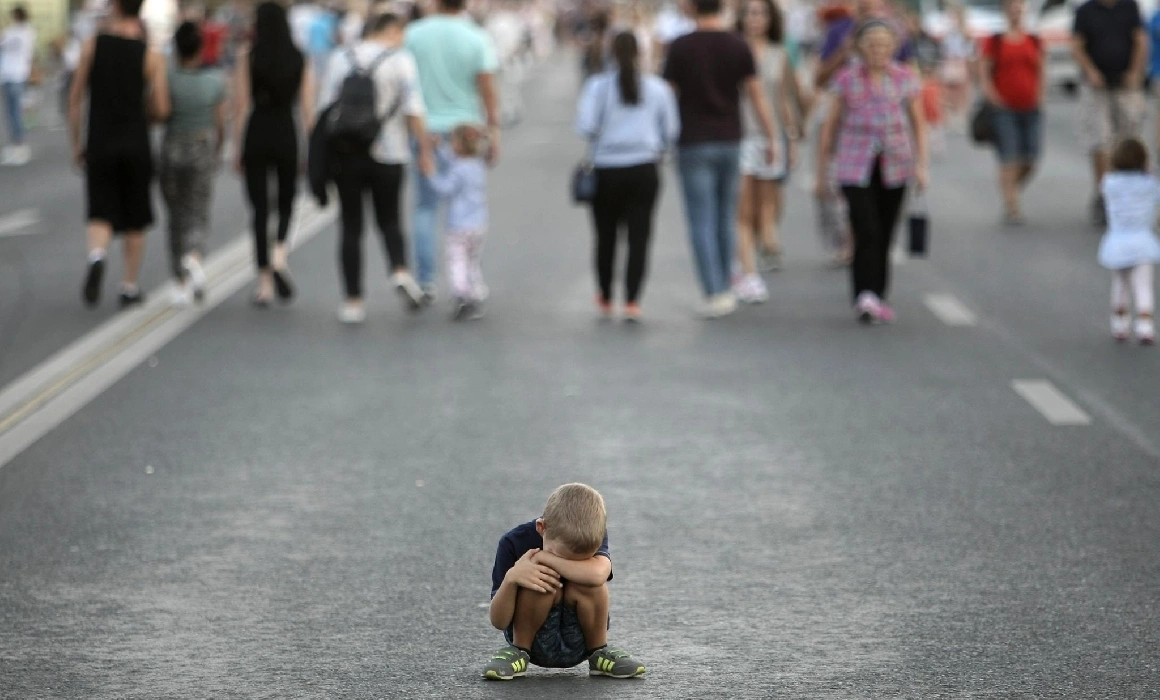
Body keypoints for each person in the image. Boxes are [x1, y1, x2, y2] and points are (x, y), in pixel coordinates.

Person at [663, 0, 779, 318]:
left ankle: (714, 291)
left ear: (692, 8)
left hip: (693, 141)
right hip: (731, 139)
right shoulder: (737, 44)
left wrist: (660, 137)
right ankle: (728, 284)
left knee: (701, 217)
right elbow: (756, 95)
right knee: (726, 216)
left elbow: (667, 95)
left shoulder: (680, 46)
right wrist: (771, 137)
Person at [319, 12, 429, 324]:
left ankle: (353, 301)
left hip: (346, 154)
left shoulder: (341, 57)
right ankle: (399, 269)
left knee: (351, 225)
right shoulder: (401, 60)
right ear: (391, 31)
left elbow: (325, 108)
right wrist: (425, 150)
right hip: (390, 152)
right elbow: (414, 109)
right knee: (390, 218)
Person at [817, 20, 928, 325]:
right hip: (855, 163)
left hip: (895, 162)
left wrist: (921, 165)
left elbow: (918, 123)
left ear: (893, 47)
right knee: (865, 228)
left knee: (886, 230)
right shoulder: (847, 79)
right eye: (871, 45)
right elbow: (830, 127)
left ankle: (878, 292)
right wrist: (821, 170)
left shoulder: (904, 78)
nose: (878, 50)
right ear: (860, 48)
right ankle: (864, 294)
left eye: (884, 44)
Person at [482, 483, 646, 681]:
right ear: (542, 528)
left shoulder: (590, 533)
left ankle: (598, 652)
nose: (567, 564)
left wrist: (546, 558)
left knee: (591, 581)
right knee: (541, 577)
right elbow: (498, 621)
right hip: (532, 641)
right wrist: (512, 578)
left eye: (580, 559)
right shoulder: (512, 542)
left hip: (582, 642)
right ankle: (518, 652)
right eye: (561, 555)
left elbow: (598, 575)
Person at [70, 0, 169, 308]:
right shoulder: (150, 55)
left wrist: (76, 144)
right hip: (136, 142)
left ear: (115, 7)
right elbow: (162, 107)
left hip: (100, 141)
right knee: (135, 217)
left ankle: (97, 255)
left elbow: (75, 100)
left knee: (100, 210)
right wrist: (147, 116)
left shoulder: (92, 47)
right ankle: (129, 285)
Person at [576, 31, 679, 322]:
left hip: (607, 168)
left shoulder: (598, 87)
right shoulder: (657, 88)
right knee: (640, 235)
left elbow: (585, 126)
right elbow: (670, 132)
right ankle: (633, 298)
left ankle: (606, 294)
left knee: (605, 235)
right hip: (644, 167)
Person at [405, 0, 500, 303]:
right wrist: (494, 130)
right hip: (465, 132)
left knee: (425, 206)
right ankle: (467, 276)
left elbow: (405, 82)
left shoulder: (414, 34)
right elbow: (487, 87)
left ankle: (427, 280)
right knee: (467, 201)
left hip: (426, 129)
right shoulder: (476, 36)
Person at [232, 1, 314, 307]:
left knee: (259, 209)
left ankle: (263, 282)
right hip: (285, 131)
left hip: (257, 129)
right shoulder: (299, 58)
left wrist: (237, 146)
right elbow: (307, 110)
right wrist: (310, 149)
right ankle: (280, 252)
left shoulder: (248, 56)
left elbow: (240, 104)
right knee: (286, 200)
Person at [734, 0, 801, 304]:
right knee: (743, 208)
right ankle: (747, 271)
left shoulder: (779, 54)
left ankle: (750, 258)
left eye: (761, 13)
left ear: (770, 18)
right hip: (739, 136)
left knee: (766, 209)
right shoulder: (733, 50)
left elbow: (784, 99)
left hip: (770, 138)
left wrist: (791, 139)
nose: (755, 19)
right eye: (750, 13)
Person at [160, 21, 225, 307]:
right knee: (198, 212)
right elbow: (221, 123)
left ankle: (179, 280)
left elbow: (160, 111)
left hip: (173, 145)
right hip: (202, 145)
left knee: (175, 214)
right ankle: (194, 256)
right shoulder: (214, 81)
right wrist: (218, 149)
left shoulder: (169, 79)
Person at [1072, 0, 1148, 226]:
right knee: (1100, 141)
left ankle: (1132, 192)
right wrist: (1090, 71)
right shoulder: (1086, 11)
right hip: (1097, 85)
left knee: (1129, 139)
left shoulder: (1129, 7)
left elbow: (1140, 40)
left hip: (1124, 82)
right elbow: (1077, 45)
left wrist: (1135, 72)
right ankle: (1104, 193)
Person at [979, 0, 1045, 225]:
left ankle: (1010, 190)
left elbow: (1041, 70)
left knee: (1031, 158)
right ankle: (1012, 205)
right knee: (1009, 157)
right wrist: (992, 96)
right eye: (1012, 9)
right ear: (1005, 12)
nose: (1016, 13)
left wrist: (1040, 95)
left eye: (1020, 9)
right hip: (1004, 108)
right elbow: (984, 71)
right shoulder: (995, 41)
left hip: (1030, 106)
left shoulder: (1034, 40)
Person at [1098, 138, 1159, 344]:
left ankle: (1119, 324)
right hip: (1142, 241)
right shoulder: (1149, 184)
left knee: (1120, 285)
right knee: (1143, 286)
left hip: (1117, 241)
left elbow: (1105, 194)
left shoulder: (1109, 183)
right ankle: (1145, 327)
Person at [427, 124, 490, 320]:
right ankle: (477, 291)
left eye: (452, 141)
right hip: (479, 223)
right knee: (473, 260)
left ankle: (461, 294)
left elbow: (445, 189)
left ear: (460, 145)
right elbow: (452, 158)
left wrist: (430, 173)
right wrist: (438, 149)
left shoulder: (458, 170)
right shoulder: (477, 165)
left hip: (459, 225)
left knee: (457, 260)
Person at [1, 5, 36, 166]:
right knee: (14, 112)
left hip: (12, 74)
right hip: (17, 74)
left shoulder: (12, 31)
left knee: (13, 112)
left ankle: (19, 145)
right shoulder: (28, 31)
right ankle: (17, 145)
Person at [940, 3, 973, 129]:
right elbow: (945, 48)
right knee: (949, 90)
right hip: (950, 61)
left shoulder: (965, 32)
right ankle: (950, 113)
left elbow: (969, 49)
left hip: (960, 61)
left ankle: (961, 114)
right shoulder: (948, 32)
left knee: (962, 89)